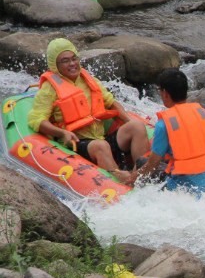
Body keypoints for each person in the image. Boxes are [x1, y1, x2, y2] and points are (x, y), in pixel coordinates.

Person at [28, 38, 149, 185]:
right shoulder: (49, 89)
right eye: (65, 61)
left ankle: (143, 175)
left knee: (137, 126)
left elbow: (111, 102)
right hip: (76, 143)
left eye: (74, 58)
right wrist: (62, 133)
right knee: (101, 146)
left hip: (100, 137)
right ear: (55, 65)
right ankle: (123, 182)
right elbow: (37, 120)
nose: (72, 63)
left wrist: (128, 121)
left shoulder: (89, 79)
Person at [131, 68, 205, 195]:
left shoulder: (163, 125)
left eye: (159, 90)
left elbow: (152, 165)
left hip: (187, 188)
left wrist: (130, 177)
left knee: (141, 162)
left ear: (165, 93)